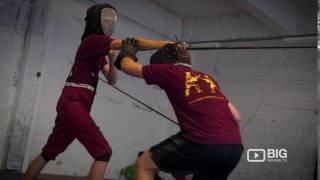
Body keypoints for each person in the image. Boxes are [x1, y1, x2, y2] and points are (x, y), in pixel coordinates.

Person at [22, 4, 172, 180]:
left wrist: (111, 56)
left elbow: (112, 79)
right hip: (74, 101)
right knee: (103, 152)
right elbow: (134, 43)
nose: (110, 22)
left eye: (112, 19)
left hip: (76, 103)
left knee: (49, 152)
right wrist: (168, 44)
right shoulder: (93, 41)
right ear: (96, 21)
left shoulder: (98, 51)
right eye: (106, 18)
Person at [114, 39, 244, 180]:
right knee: (176, 163)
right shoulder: (207, 78)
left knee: (143, 164)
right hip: (234, 148)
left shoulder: (170, 71)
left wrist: (128, 50)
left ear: (162, 62)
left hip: (202, 142)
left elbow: (127, 66)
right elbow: (236, 116)